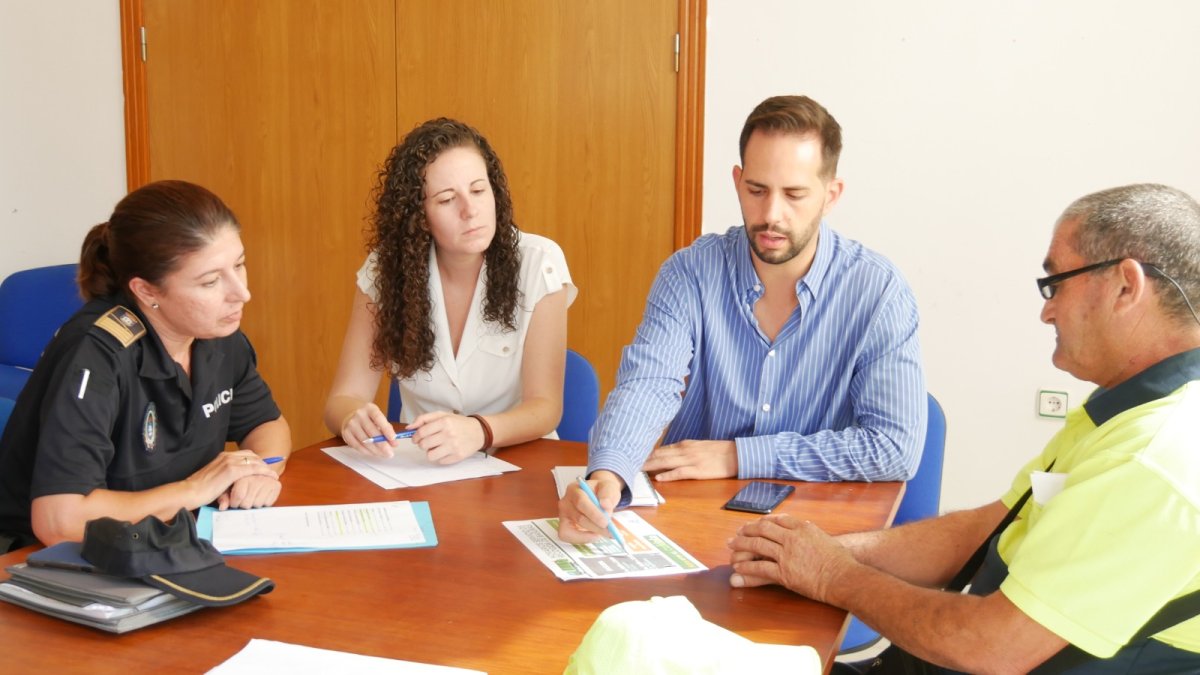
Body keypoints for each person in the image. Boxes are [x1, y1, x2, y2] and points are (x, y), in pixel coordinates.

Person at [728, 184, 1200, 673]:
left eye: (1056, 283)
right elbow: (989, 528)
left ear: (1126, 286)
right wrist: (814, 554)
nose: (1047, 310)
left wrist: (832, 573)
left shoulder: (1155, 456)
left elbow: (993, 647)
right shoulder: (1128, 407)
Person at [559, 95, 926, 543]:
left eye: (794, 195)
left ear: (831, 196)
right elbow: (648, 384)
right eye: (756, 190)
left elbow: (893, 447)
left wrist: (739, 456)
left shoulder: (878, 291)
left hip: (817, 535)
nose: (771, 215)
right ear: (737, 181)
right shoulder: (690, 273)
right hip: (695, 526)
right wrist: (607, 474)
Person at [0, 180, 291, 552]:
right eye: (210, 281)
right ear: (146, 291)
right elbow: (60, 521)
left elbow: (267, 424)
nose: (241, 293)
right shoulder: (96, 354)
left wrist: (259, 471)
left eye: (239, 264)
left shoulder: (214, 331)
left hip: (167, 536)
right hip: (49, 556)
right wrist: (196, 489)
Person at [324, 118, 575, 465]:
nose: (470, 211)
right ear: (418, 216)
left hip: (521, 463)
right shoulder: (385, 270)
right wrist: (352, 417)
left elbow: (545, 407)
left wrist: (479, 431)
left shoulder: (539, 262)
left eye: (478, 191)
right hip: (422, 466)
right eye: (446, 200)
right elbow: (343, 398)